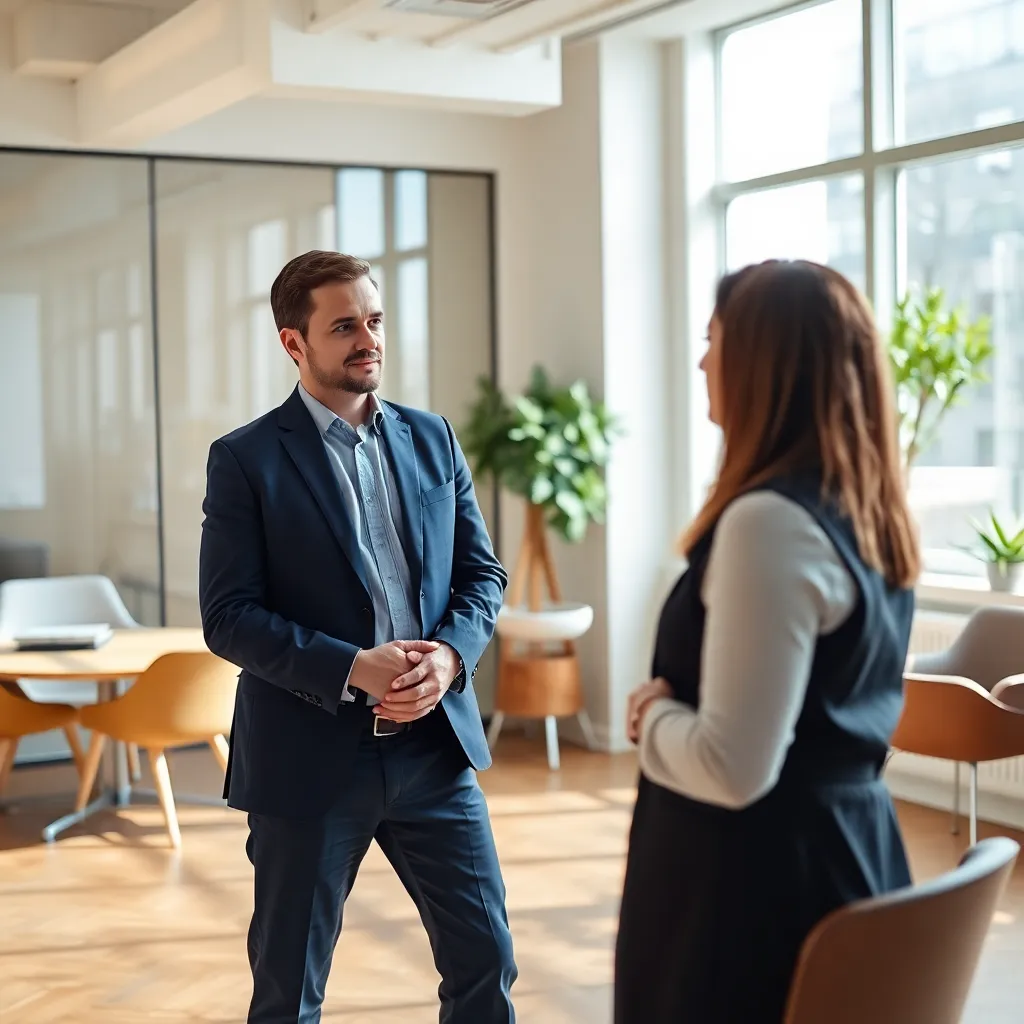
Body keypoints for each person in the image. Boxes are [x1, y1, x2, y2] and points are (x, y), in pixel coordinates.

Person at [199, 250, 516, 1023]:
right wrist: (354, 668)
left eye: (373, 320)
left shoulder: (433, 438)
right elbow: (228, 615)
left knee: (486, 961)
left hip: (433, 752)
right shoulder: (246, 460)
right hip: (310, 762)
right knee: (289, 990)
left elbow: (483, 576)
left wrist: (449, 655)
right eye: (343, 326)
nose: (366, 338)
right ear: (293, 343)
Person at [615, 260, 920, 1023]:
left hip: (750, 895)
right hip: (848, 855)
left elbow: (733, 767)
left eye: (714, 339)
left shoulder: (768, 523)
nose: (702, 361)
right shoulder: (867, 510)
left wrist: (648, 718)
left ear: (764, 362)